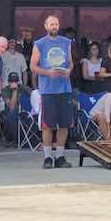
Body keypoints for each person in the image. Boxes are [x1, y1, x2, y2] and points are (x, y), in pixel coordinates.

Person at [30, 14, 74, 168]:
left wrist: (69, 70)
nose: (54, 26)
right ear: (46, 26)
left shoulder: (66, 42)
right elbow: (33, 66)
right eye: (51, 24)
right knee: (47, 125)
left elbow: (70, 62)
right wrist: (47, 73)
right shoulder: (39, 44)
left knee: (64, 125)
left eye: (56, 24)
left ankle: (60, 157)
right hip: (48, 90)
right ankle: (48, 157)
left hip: (64, 88)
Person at [0, 72, 24, 147]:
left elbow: (34, 95)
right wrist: (14, 91)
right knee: (12, 112)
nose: (14, 83)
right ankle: (19, 140)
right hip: (9, 112)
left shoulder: (23, 88)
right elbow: (11, 106)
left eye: (15, 81)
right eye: (12, 81)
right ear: (8, 82)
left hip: (24, 111)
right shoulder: (5, 90)